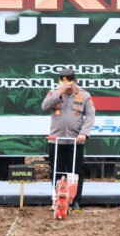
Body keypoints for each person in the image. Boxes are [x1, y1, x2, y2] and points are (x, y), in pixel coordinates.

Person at [41, 67, 96, 212]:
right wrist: (59, 92)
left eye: (69, 84)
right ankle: (57, 198)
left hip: (75, 140)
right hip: (56, 140)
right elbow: (44, 107)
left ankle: (76, 201)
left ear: (75, 82)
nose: (67, 87)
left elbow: (90, 116)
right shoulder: (54, 92)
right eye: (63, 84)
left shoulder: (84, 95)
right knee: (57, 171)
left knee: (76, 171)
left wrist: (84, 133)